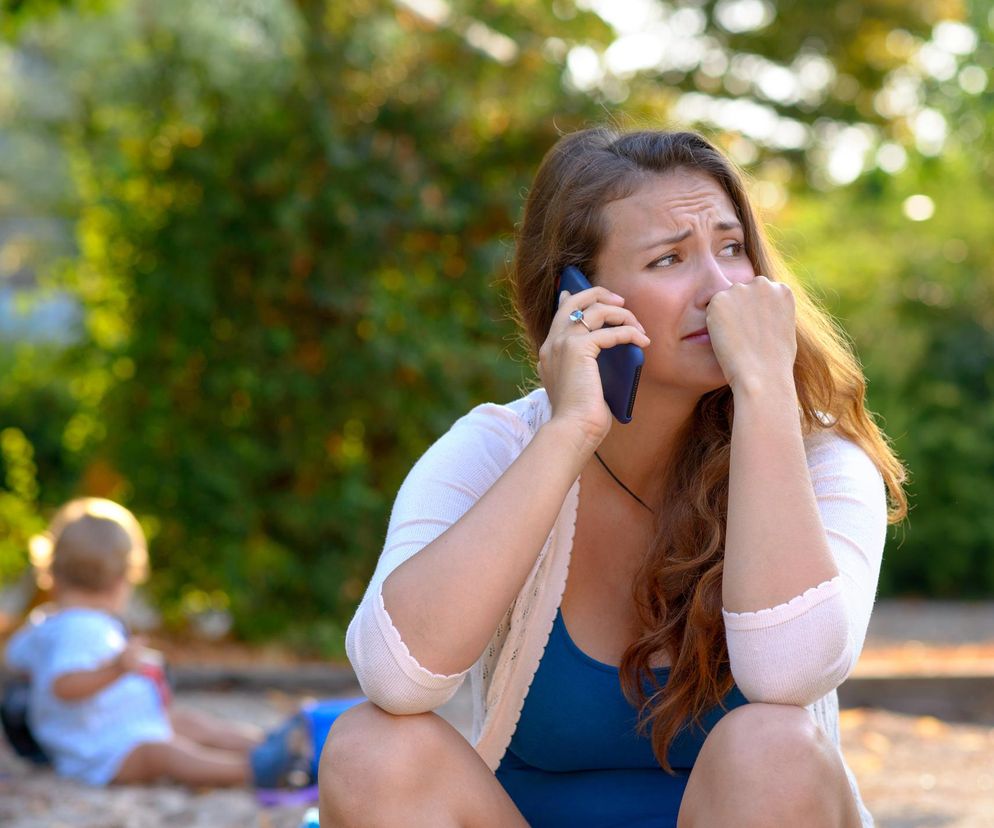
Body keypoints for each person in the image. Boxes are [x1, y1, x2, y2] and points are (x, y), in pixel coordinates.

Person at [319, 128, 907, 827]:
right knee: (368, 747)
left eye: (731, 247)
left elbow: (790, 672)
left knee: (769, 742)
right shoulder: (498, 448)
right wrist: (569, 431)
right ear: (580, 298)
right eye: (669, 259)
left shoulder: (819, 458)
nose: (720, 290)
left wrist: (767, 394)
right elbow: (394, 676)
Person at [4, 497, 311, 789]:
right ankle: (254, 768)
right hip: (98, 751)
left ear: (53, 572)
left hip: (115, 728)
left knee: (187, 722)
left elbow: (14, 658)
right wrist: (116, 669)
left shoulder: (51, 624)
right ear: (123, 579)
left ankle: (271, 746)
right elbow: (63, 685)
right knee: (164, 754)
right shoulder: (79, 627)